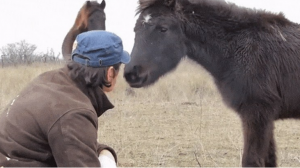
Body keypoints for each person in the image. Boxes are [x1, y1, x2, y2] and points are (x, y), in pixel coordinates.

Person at [0, 30, 130, 167]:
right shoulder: (73, 111)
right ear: (110, 73)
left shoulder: (50, 80)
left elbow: (70, 140)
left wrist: (105, 153)